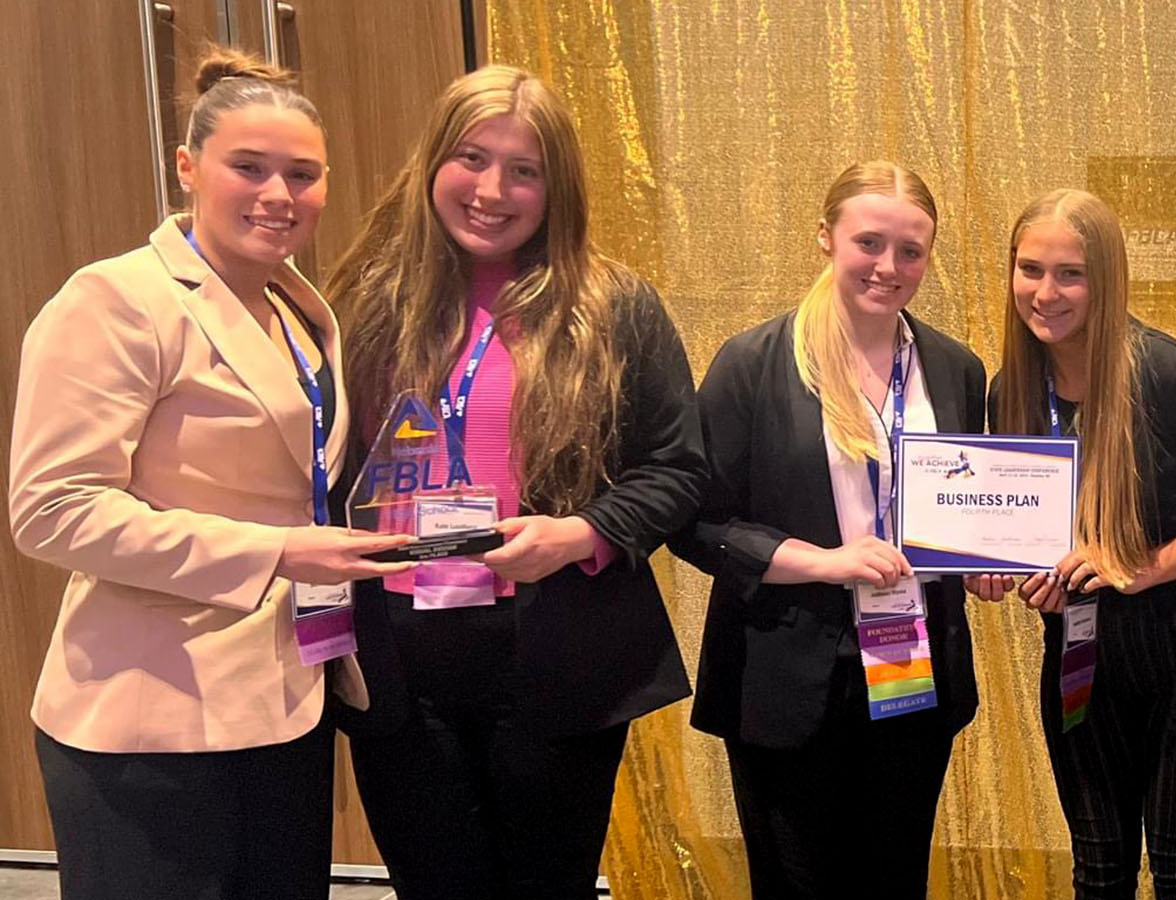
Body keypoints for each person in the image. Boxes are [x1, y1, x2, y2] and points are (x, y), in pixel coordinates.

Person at [8, 49, 415, 899]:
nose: (278, 195)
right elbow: (52, 511)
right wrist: (274, 554)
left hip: (286, 697)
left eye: (302, 175)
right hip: (150, 713)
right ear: (188, 167)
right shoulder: (118, 300)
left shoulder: (300, 307)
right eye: (249, 167)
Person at [325, 65, 705, 899]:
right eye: (471, 158)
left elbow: (679, 469)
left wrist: (582, 534)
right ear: (432, 164)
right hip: (399, 657)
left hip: (552, 653)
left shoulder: (615, 308)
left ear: (555, 187)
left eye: (523, 170)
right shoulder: (364, 302)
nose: (492, 190)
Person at [673, 161, 985, 898]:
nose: (889, 267)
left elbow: (964, 508)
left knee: (895, 876)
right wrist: (819, 562)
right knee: (797, 883)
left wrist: (982, 563)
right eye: (868, 243)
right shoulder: (753, 363)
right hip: (784, 673)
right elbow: (694, 523)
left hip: (915, 671)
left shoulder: (955, 368)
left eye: (911, 251)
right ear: (825, 238)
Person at [968, 189, 1176, 899]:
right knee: (1098, 872)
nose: (1046, 292)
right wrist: (1011, 576)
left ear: (1108, 278)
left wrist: (1140, 568)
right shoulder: (1009, 391)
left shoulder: (1168, 373)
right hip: (1078, 656)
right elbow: (1020, 530)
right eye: (1030, 269)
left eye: (1071, 273)